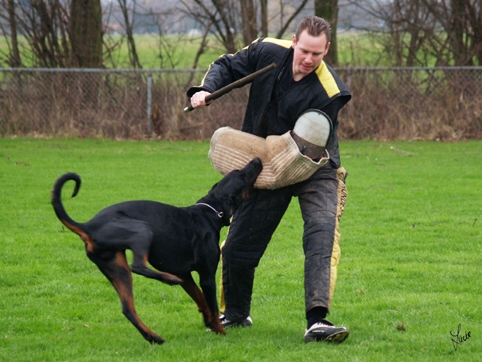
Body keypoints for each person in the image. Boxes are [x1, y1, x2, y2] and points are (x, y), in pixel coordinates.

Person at [187, 16, 351, 343]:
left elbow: (305, 145)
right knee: (237, 247)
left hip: (314, 164)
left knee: (320, 233)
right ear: (294, 41)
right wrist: (207, 89)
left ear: (326, 50)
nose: (309, 59)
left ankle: (317, 322)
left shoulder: (330, 92)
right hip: (267, 160)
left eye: (317, 55)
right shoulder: (266, 52)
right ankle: (235, 314)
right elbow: (228, 65)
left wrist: (270, 163)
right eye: (304, 50)